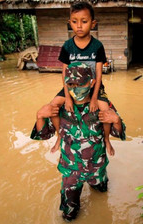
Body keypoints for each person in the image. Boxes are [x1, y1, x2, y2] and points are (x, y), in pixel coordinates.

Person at [31, 62, 126, 221]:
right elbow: (44, 134)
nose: (75, 88)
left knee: (102, 194)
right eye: (70, 84)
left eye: (79, 84)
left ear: (91, 82)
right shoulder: (59, 107)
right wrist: (39, 116)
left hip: (97, 166)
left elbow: (118, 131)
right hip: (71, 169)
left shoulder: (102, 105)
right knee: (69, 213)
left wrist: (116, 120)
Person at [49, 1, 116, 156]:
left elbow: (99, 74)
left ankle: (106, 139)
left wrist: (93, 98)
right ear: (69, 23)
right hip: (72, 86)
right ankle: (59, 136)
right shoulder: (67, 46)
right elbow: (64, 73)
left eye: (84, 22)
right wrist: (67, 97)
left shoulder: (97, 46)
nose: (79, 26)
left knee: (105, 108)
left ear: (93, 24)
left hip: (93, 86)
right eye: (74, 22)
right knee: (53, 105)